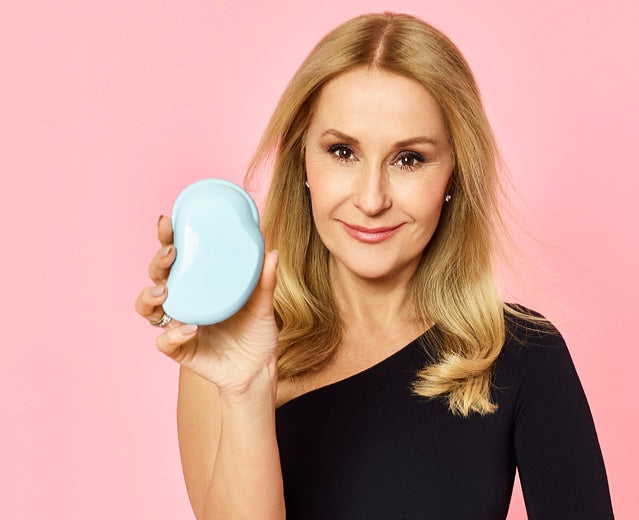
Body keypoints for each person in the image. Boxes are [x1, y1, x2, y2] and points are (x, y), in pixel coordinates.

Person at [135, 12, 614, 520]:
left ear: (454, 172)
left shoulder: (521, 354)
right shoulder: (227, 349)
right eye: (342, 152)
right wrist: (246, 390)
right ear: (302, 161)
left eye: (409, 159)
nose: (371, 199)